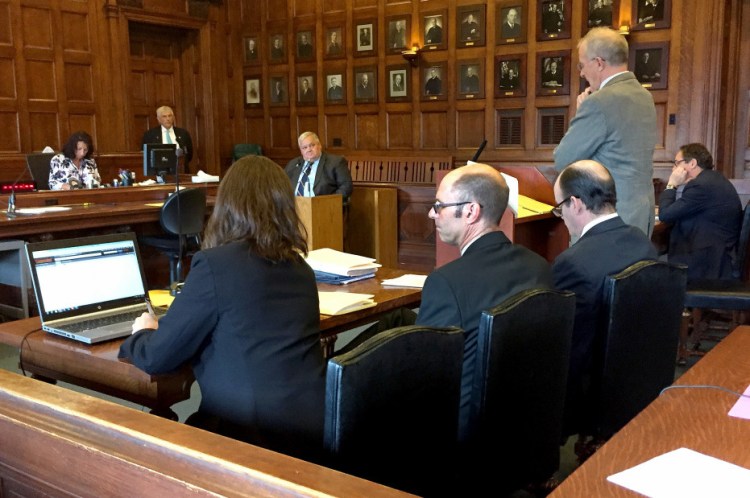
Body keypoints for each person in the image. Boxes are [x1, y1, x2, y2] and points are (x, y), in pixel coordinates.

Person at [118, 155, 326, 463]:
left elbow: (158, 356)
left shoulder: (216, 265)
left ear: (228, 205)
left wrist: (144, 332)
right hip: (311, 434)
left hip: (244, 439)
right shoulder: (300, 268)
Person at [550, 159, 657, 444]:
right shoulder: (642, 241)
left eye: (559, 207)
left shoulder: (573, 262)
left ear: (576, 203)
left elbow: (568, 345)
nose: (560, 216)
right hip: (644, 375)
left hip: (594, 388)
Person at [553, 27, 657, 237]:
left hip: (609, 218)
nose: (581, 73)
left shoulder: (598, 102)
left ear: (599, 63)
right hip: (641, 211)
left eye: (582, 65)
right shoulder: (645, 96)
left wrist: (581, 111)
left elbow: (562, 159)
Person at [658, 143, 742, 282]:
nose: (673, 168)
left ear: (692, 163)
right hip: (715, 255)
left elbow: (665, 215)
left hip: (707, 263)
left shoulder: (701, 185)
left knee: (651, 264)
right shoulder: (713, 179)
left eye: (677, 163)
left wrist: (671, 185)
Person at [283, 131, 353, 203]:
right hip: (294, 207)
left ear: (319, 145)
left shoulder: (335, 162)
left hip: (322, 207)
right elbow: (282, 185)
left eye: (312, 145)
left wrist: (328, 202)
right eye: (304, 147)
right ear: (301, 151)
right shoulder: (293, 164)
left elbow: (346, 187)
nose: (309, 150)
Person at [141, 105, 195, 171]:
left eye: (170, 116)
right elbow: (146, 154)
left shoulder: (183, 133)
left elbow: (189, 154)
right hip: (159, 171)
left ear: (173, 118)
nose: (168, 119)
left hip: (180, 169)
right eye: (164, 116)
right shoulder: (150, 135)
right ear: (158, 119)